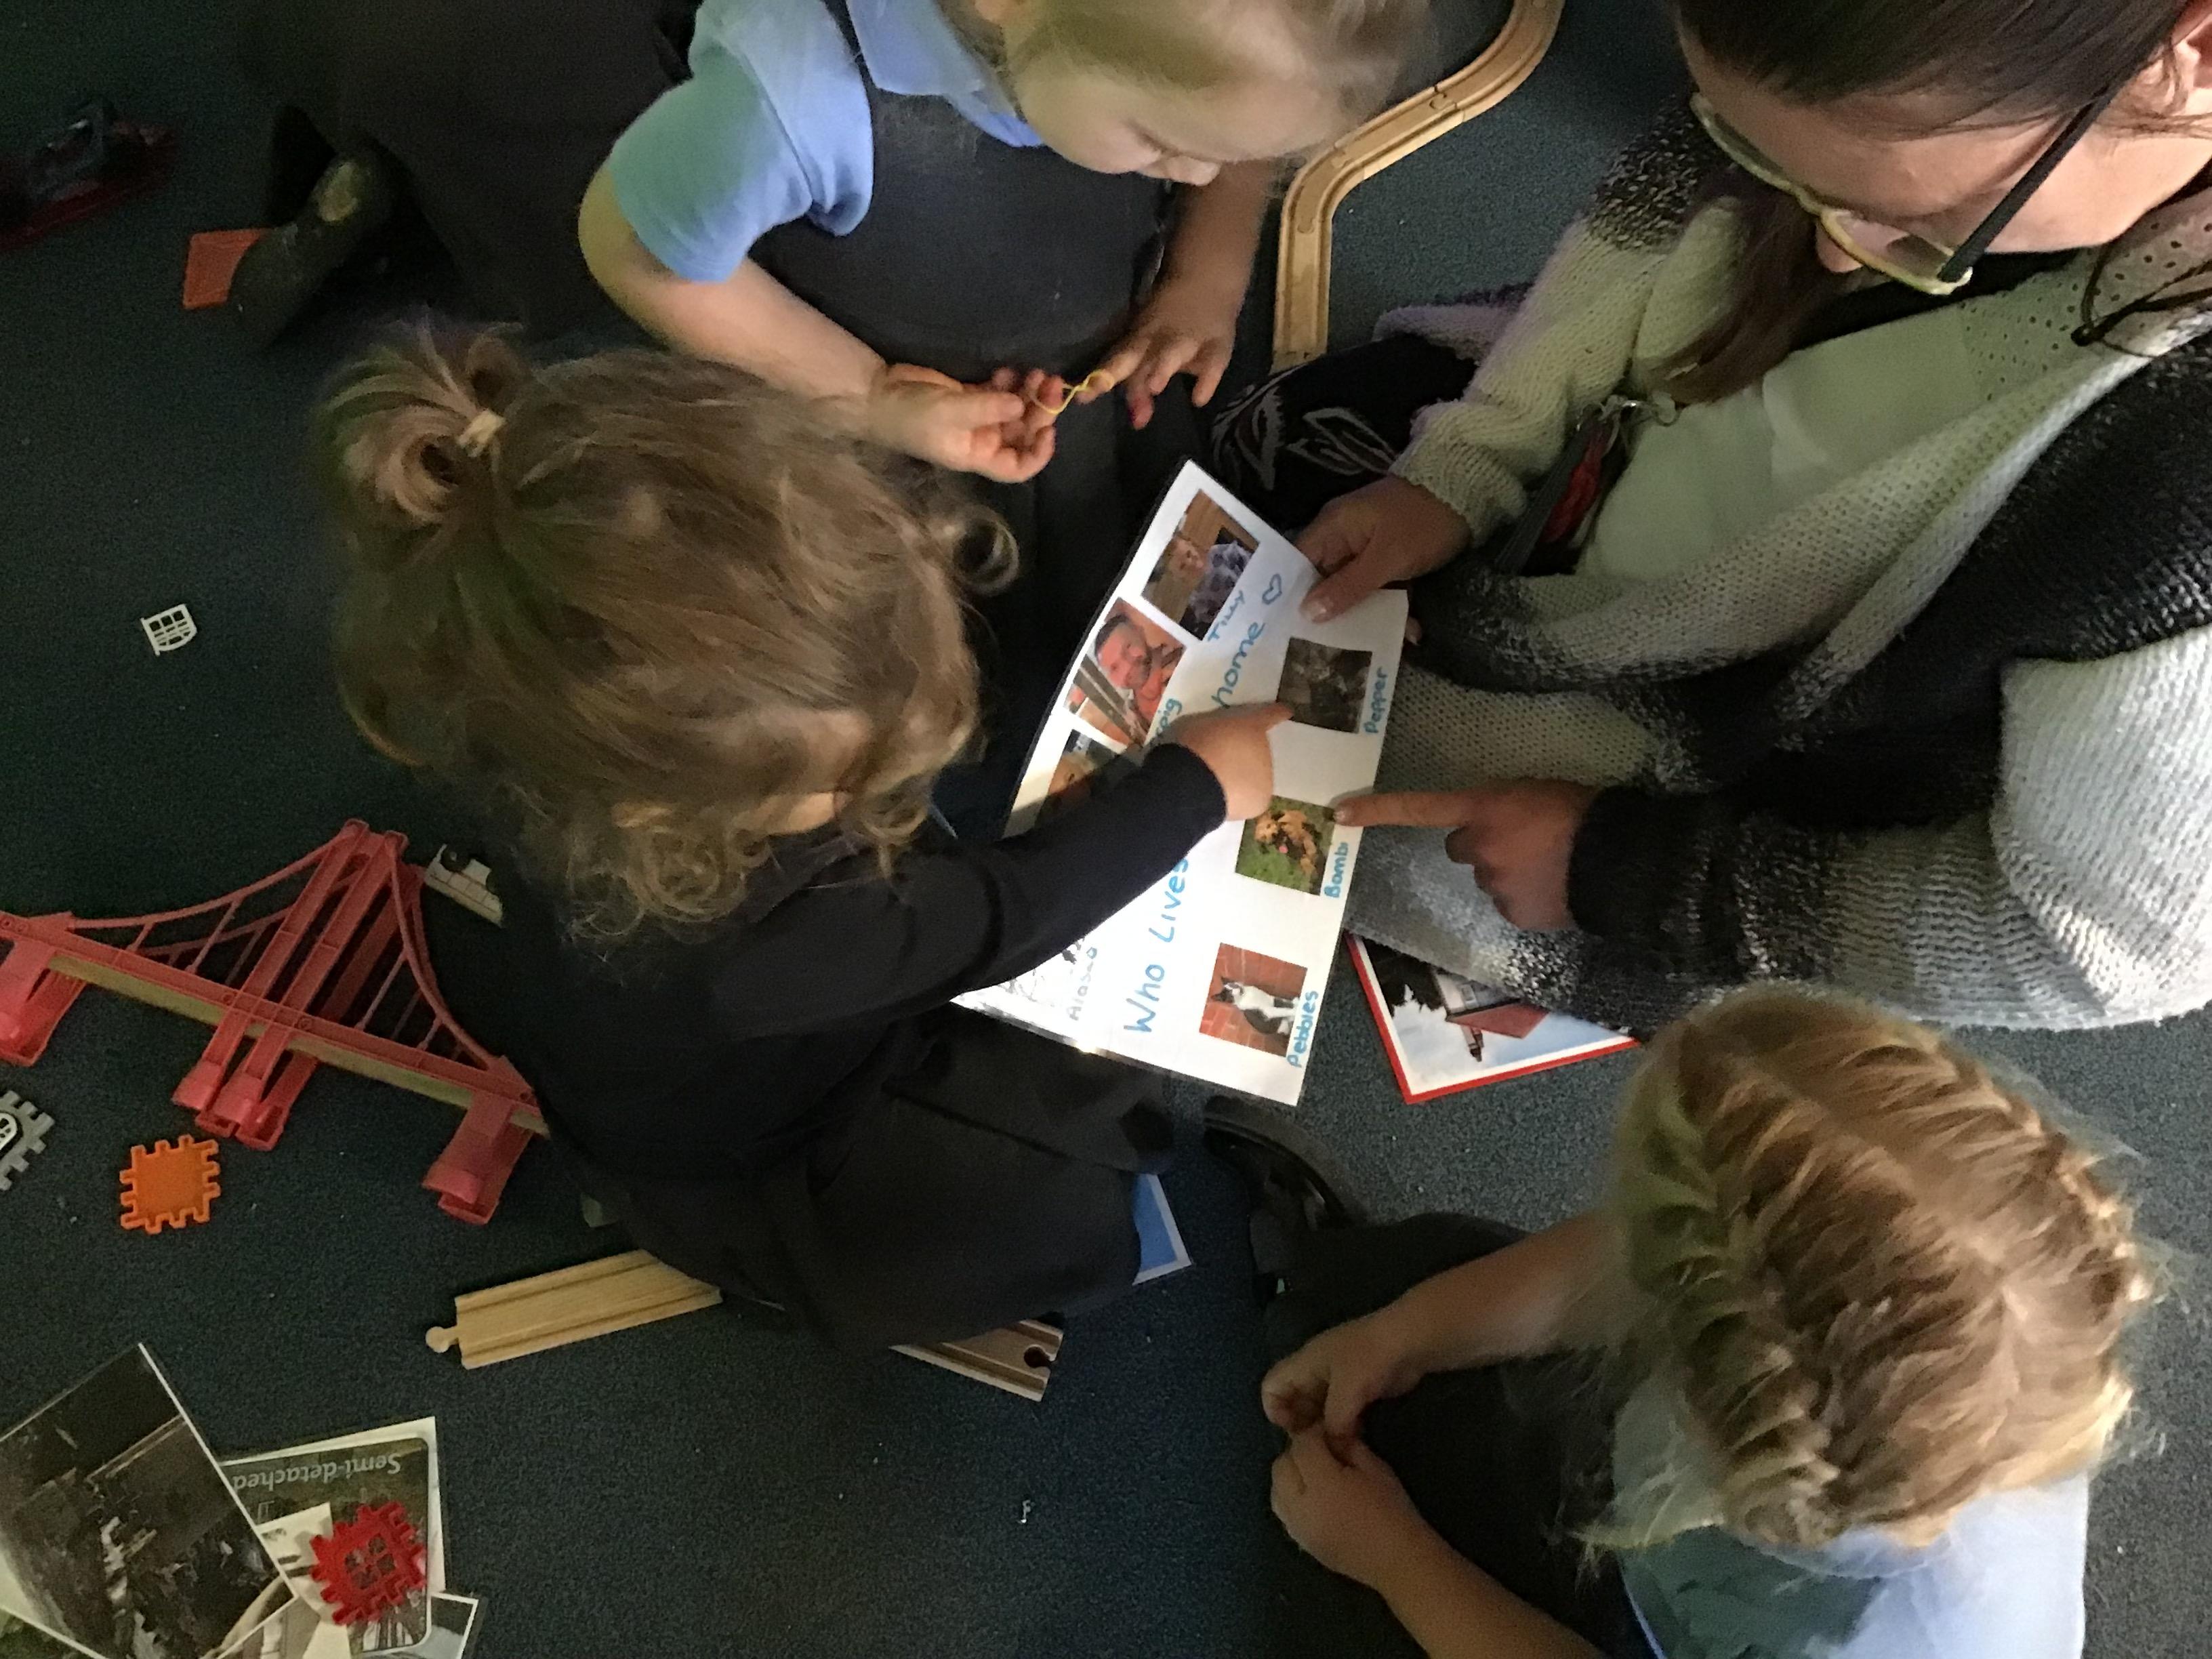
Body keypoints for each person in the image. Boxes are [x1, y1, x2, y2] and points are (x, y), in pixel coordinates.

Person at [1214, 0, 2212, 1035]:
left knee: (1292, 808)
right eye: (1759, 153)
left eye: (1917, 219)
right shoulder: (1848, 85)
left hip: (1744, 774)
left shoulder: (2178, 499)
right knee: (1278, 458)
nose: (1834, 254)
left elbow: (2090, 951)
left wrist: (1621, 871)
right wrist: (1467, 466)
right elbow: (1652, 221)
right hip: (1651, 456)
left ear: (2194, 54)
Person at [316, 324, 1290, 1349]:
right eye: (841, 781)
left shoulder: (527, 713)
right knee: (1048, 1200)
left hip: (649, 1038)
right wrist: (1192, 791)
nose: (888, 779)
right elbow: (1005, 916)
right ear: (678, 809)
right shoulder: (783, 940)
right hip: (744, 1165)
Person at [1257, 988, 2156, 1658]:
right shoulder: (2006, 1344)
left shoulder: (1876, 1637)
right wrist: (1402, 1334)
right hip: (1693, 1517)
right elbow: (1623, 1258)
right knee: (1420, 1275)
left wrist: (1396, 1560)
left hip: (1676, 1629)